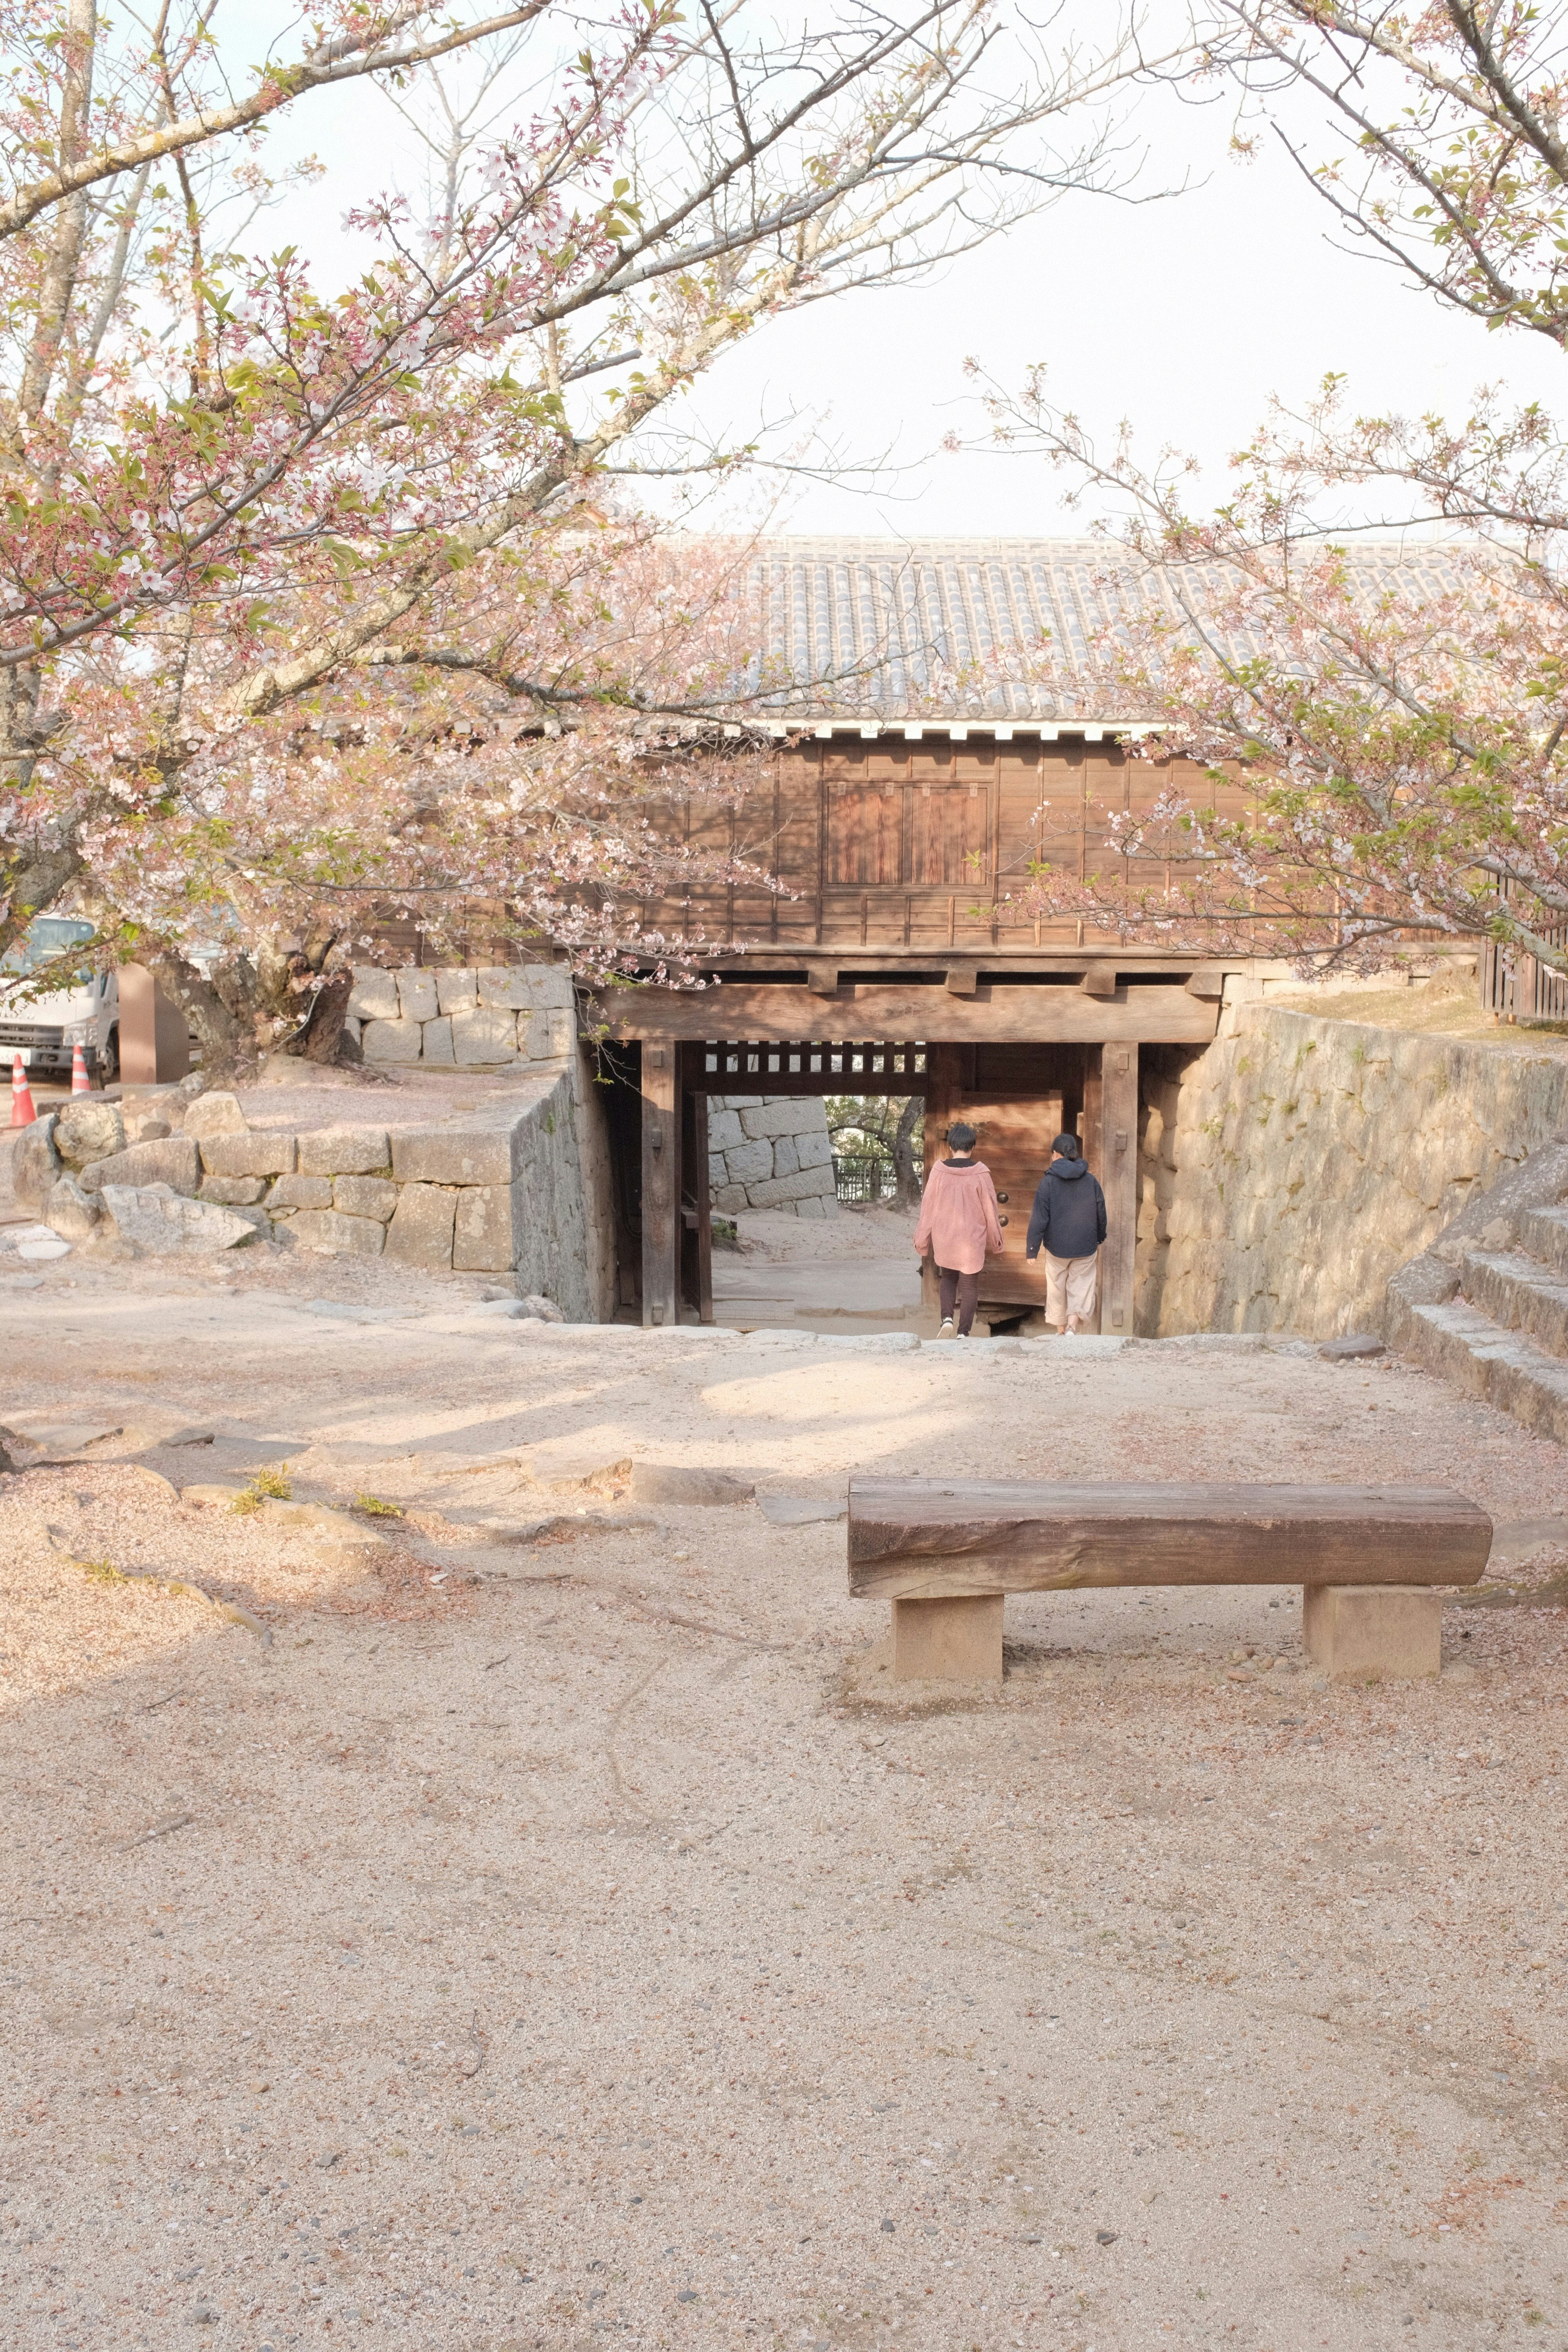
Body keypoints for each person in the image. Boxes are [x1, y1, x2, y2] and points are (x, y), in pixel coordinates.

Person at [913, 1121, 1003, 1338]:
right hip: (971, 1240)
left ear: (951, 1147)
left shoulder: (939, 1171)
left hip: (945, 1236)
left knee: (948, 1278)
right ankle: (964, 1333)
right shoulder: (981, 1173)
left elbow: (928, 1207)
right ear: (972, 1147)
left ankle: (946, 1319)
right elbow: (990, 1208)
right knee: (970, 1286)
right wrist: (996, 1240)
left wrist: (922, 1240)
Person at [1024, 1132, 1107, 1336]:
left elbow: (1039, 1218)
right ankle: (1072, 1326)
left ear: (1055, 1154)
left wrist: (1032, 1250)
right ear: (1074, 1154)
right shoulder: (1091, 1180)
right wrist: (1100, 1236)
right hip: (1085, 1245)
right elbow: (1101, 1211)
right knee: (1081, 1283)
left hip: (1057, 1247)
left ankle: (1060, 1329)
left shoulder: (1048, 1183)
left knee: (1057, 1286)